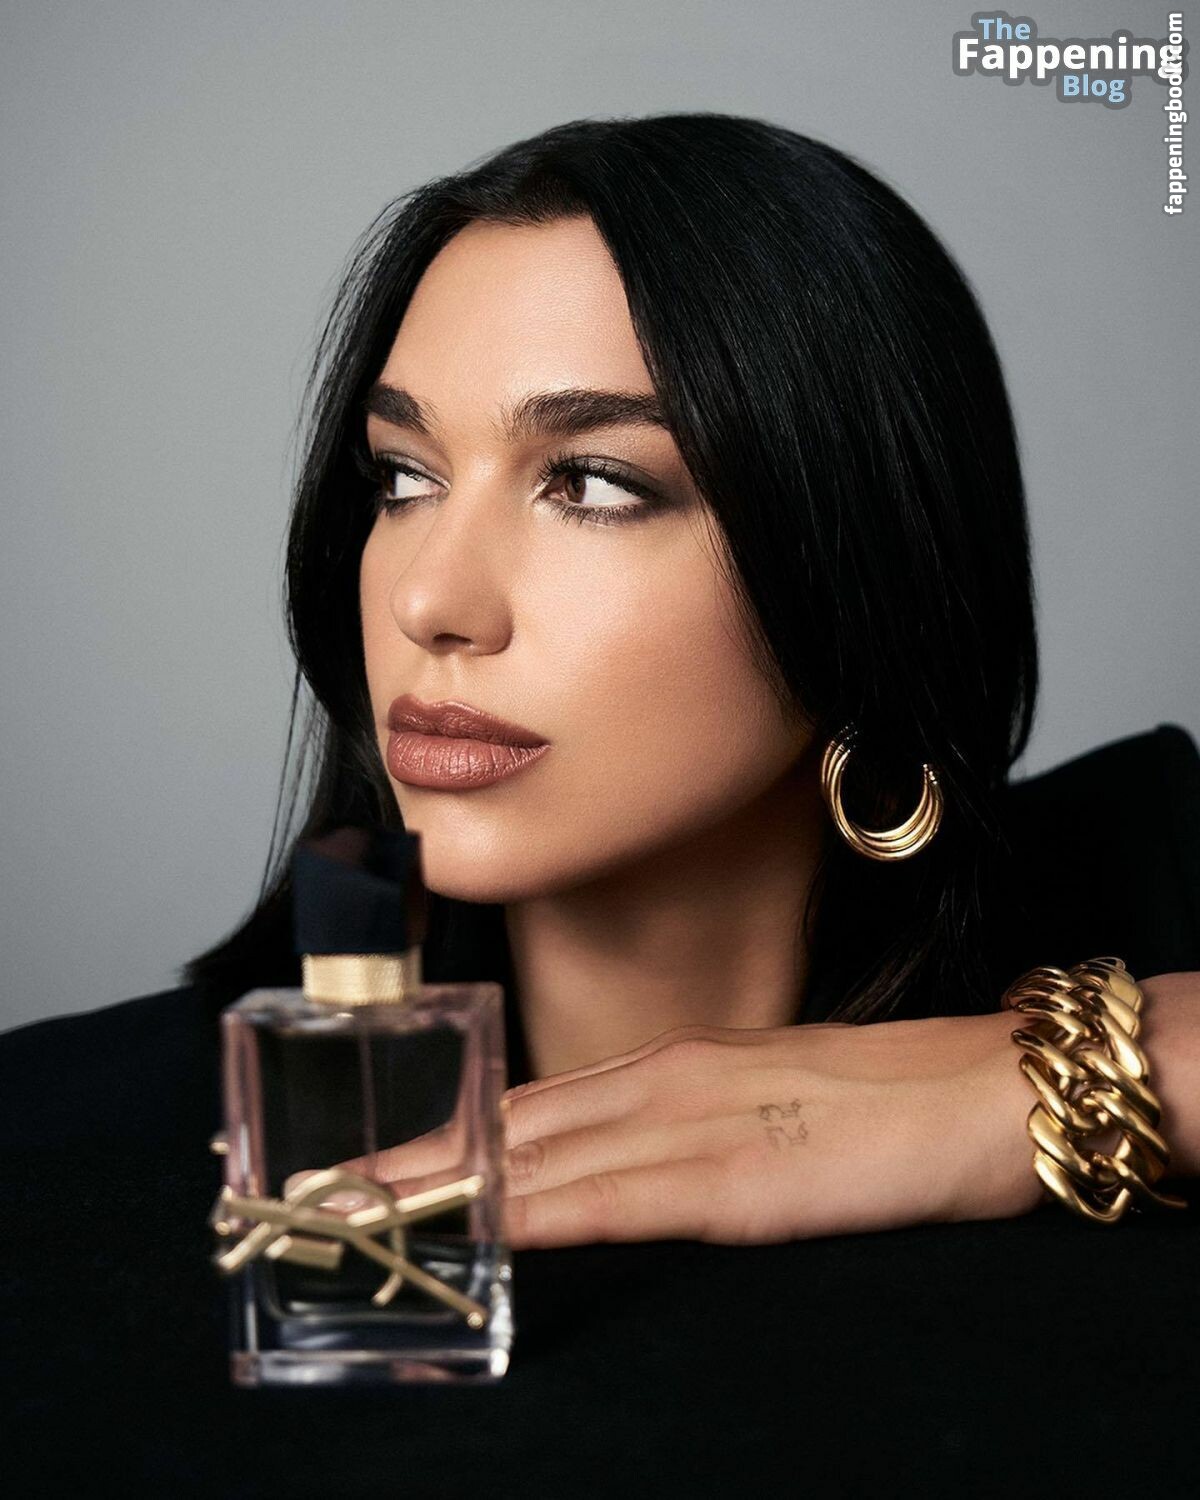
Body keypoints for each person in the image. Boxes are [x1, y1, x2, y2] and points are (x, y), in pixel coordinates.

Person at [3, 113, 1198, 1492]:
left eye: (590, 483)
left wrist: (1044, 1087)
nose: (429, 599)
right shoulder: (55, 1147)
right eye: (402, 476)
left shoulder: (1150, 881)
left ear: (861, 563)